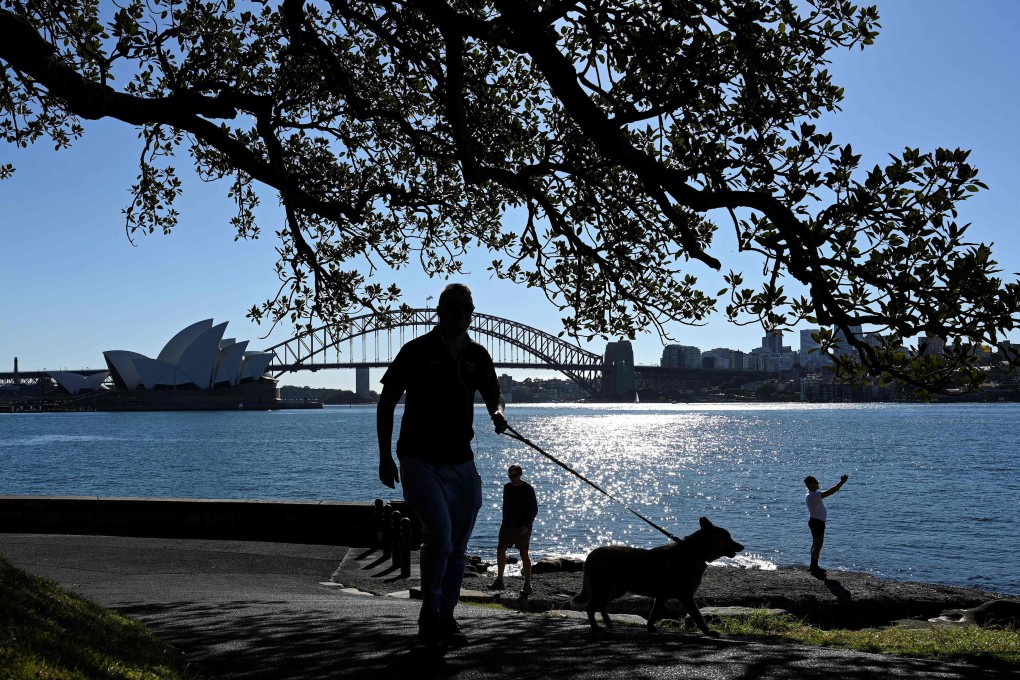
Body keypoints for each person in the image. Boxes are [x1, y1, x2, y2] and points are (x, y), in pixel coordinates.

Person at [377, 283, 508, 648]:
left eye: (467, 309)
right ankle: (430, 613)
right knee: (440, 535)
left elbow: (494, 394)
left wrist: (497, 414)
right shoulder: (416, 351)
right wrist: (385, 456)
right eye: (454, 308)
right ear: (440, 310)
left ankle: (447, 614)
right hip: (419, 457)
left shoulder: (478, 356)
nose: (461, 314)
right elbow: (386, 401)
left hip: (461, 461)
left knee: (459, 545)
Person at [489, 464, 538, 595]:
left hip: (523, 527)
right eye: (510, 476)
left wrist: (526, 525)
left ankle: (527, 584)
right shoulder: (507, 487)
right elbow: (506, 506)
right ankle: (499, 581)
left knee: (523, 553)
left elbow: (533, 509)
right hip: (507, 525)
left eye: (514, 476)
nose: (512, 478)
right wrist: (505, 522)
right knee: (500, 550)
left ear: (520, 475)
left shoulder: (528, 489)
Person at [804, 473, 849, 579]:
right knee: (818, 545)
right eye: (815, 482)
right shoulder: (813, 495)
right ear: (811, 485)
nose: (818, 483)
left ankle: (813, 565)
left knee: (816, 544)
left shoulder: (810, 494)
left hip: (815, 521)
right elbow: (831, 491)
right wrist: (842, 482)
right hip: (817, 522)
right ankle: (814, 567)